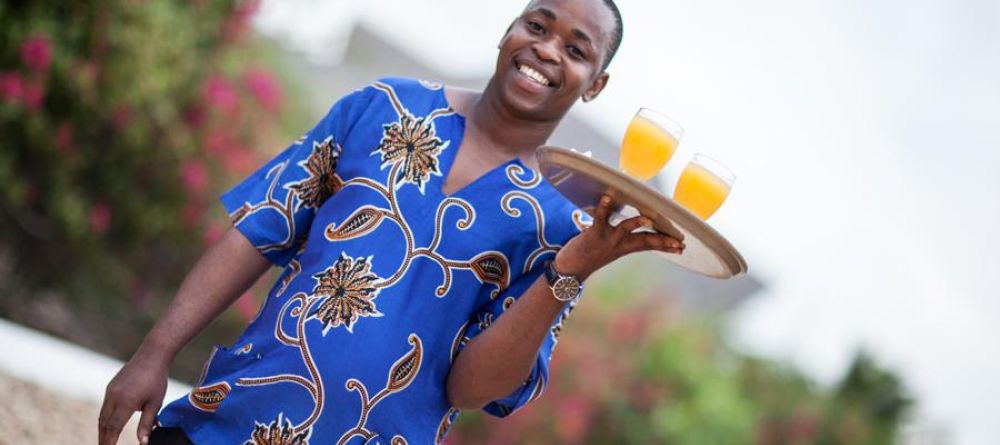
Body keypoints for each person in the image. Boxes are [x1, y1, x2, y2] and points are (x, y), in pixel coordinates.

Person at [99, 0, 684, 443]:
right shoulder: (386, 107)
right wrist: (154, 353)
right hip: (232, 419)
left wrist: (571, 272)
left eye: (577, 50)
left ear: (595, 87)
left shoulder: (560, 227)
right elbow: (260, 229)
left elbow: (472, 389)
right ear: (507, 32)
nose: (548, 49)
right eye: (537, 25)